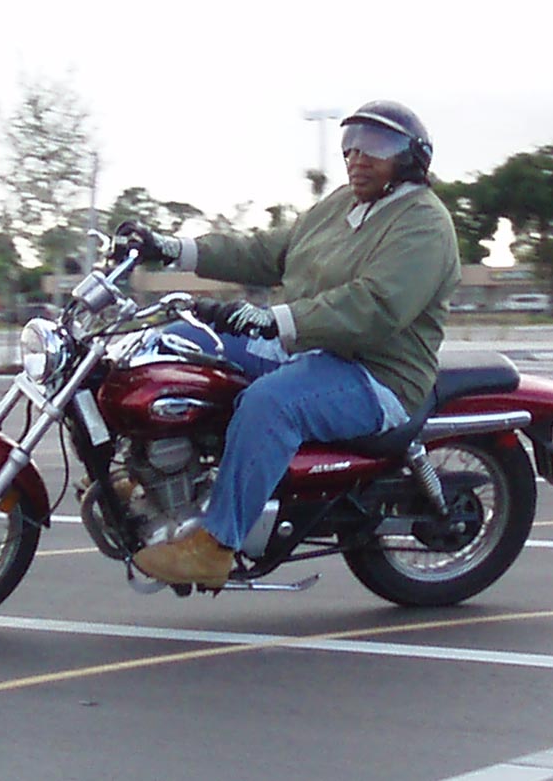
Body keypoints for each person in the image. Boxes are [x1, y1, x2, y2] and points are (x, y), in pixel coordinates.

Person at [115, 100, 461, 588]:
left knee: (271, 403)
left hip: (376, 374)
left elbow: (375, 306)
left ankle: (215, 545)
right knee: (177, 343)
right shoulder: (341, 205)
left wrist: (274, 320)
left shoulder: (424, 223)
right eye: (351, 145)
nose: (358, 157)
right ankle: (145, 476)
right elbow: (265, 252)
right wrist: (173, 249)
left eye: (376, 146)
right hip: (305, 346)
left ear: (412, 157)